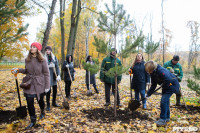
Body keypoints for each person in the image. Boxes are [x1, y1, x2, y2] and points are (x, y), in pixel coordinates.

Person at [12, 42, 50, 129]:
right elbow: (26, 71)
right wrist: (18, 70)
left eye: (34, 47)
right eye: (31, 47)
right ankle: (33, 120)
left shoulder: (42, 60)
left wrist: (47, 86)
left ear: (38, 49)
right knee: (29, 101)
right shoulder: (27, 59)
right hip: (29, 83)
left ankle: (42, 111)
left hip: (39, 83)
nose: (32, 48)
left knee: (40, 100)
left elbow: (46, 73)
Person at [145, 61, 180, 126]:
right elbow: (153, 85)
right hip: (166, 85)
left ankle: (162, 120)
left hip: (172, 85)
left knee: (163, 101)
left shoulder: (160, 70)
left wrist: (163, 86)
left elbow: (168, 79)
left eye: (149, 70)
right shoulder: (153, 73)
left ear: (152, 68)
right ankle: (167, 117)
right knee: (166, 101)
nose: (148, 72)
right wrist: (148, 94)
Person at [44, 46, 61, 111]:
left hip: (54, 76)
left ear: (51, 51)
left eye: (48, 50)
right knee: (48, 91)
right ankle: (48, 104)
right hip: (47, 76)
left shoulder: (54, 57)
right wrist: (48, 66)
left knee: (55, 90)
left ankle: (54, 102)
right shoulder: (44, 58)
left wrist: (58, 75)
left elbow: (57, 67)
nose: (47, 51)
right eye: (46, 50)